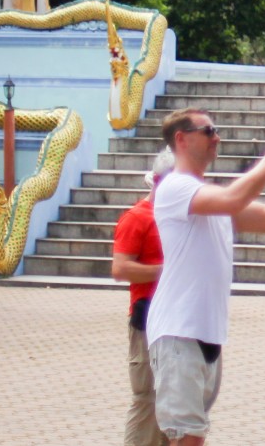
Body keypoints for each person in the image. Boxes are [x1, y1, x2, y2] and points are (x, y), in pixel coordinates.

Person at [148, 109, 265, 446]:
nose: (216, 138)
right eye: (209, 131)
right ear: (181, 138)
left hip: (205, 332)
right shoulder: (175, 187)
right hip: (179, 330)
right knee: (188, 436)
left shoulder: (207, 196)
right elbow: (235, 197)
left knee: (192, 436)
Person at [111, 148, 175, 446]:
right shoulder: (137, 218)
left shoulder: (179, 218)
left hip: (178, 321)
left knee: (178, 404)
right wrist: (167, 271)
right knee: (147, 400)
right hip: (147, 319)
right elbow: (121, 268)